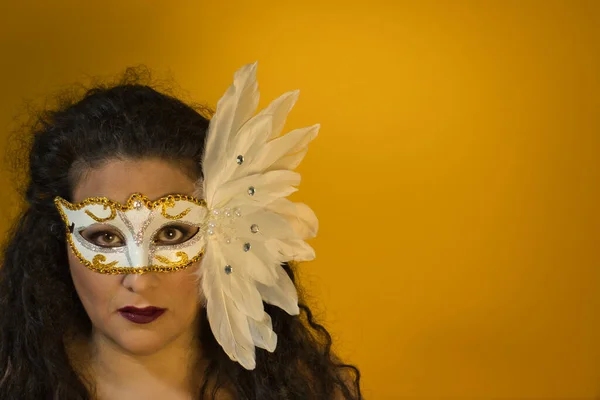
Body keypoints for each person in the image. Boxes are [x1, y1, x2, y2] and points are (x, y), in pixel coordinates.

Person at [0, 63, 362, 399]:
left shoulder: (310, 392)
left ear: (228, 235)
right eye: (105, 237)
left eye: (171, 234)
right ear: (59, 241)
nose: (139, 281)